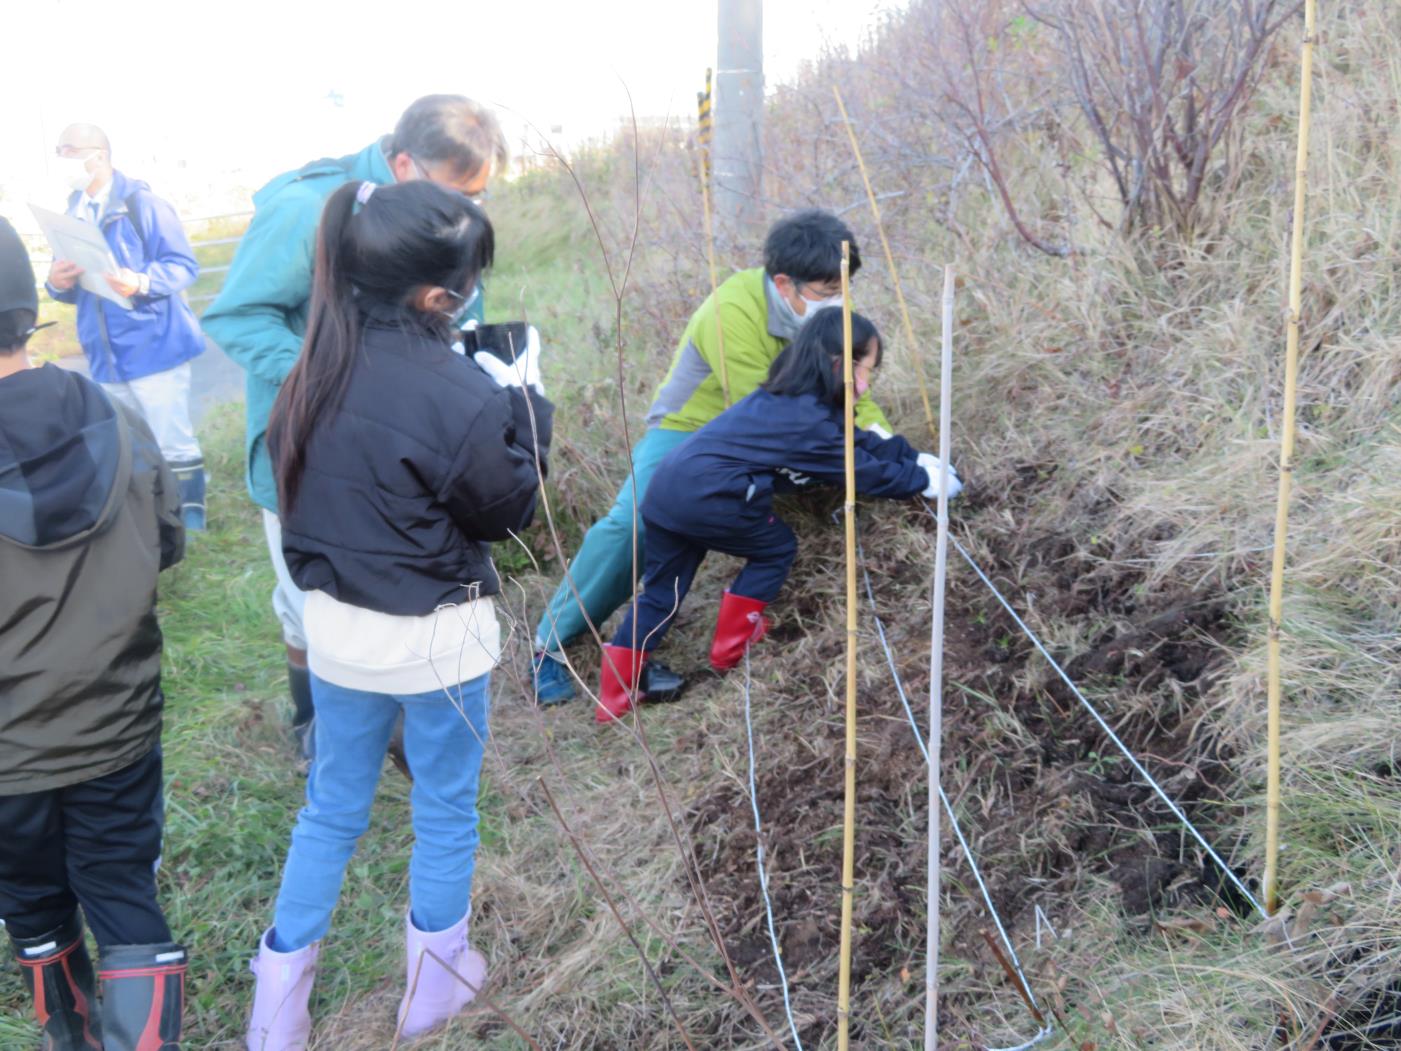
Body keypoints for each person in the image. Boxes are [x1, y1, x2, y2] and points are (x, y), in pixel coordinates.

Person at [245, 179, 552, 1049]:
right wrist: (525, 404)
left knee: (330, 806)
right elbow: (505, 513)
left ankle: (277, 1004)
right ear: (437, 295)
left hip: (339, 637)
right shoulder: (459, 391)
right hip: (437, 643)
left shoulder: (309, 371)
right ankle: (434, 987)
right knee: (445, 807)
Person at [203, 94, 508, 763]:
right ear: (404, 163)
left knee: (402, 584)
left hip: (412, 449)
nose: (468, 211)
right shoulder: (306, 210)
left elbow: (456, 304)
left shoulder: (442, 218)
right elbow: (237, 316)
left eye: (479, 196)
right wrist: (334, 380)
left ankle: (406, 724)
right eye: (459, 192)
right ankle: (318, 730)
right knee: (311, 600)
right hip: (314, 451)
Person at [532, 209, 898, 706]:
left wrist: (886, 442)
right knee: (633, 523)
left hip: (765, 432)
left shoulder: (821, 313)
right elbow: (776, 413)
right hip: (691, 431)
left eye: (844, 290)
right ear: (784, 283)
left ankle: (723, 635)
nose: (838, 301)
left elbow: (850, 386)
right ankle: (550, 646)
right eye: (827, 290)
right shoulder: (732, 311)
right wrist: (846, 451)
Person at [0, 216, 188, 1048]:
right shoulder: (111, 413)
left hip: (8, 757)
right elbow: (168, 540)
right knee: (122, 890)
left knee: (33, 906)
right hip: (117, 723)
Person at [596, 309, 960, 722]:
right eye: (866, 369)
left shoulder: (786, 400)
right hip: (710, 497)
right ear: (839, 364)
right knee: (775, 547)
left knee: (663, 592)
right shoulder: (807, 421)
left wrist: (912, 456)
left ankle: (615, 695)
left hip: (666, 492)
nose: (867, 382)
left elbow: (853, 443)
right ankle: (732, 647)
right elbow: (858, 470)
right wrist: (922, 481)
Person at [45, 122, 208, 531]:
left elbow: (183, 266)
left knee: (172, 439)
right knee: (127, 442)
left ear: (98, 155)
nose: (61, 159)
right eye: (59, 151)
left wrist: (141, 281)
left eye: (68, 150)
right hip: (105, 354)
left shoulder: (143, 205)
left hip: (154, 344)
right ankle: (152, 519)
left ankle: (191, 518)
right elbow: (74, 288)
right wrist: (56, 283)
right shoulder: (70, 213)